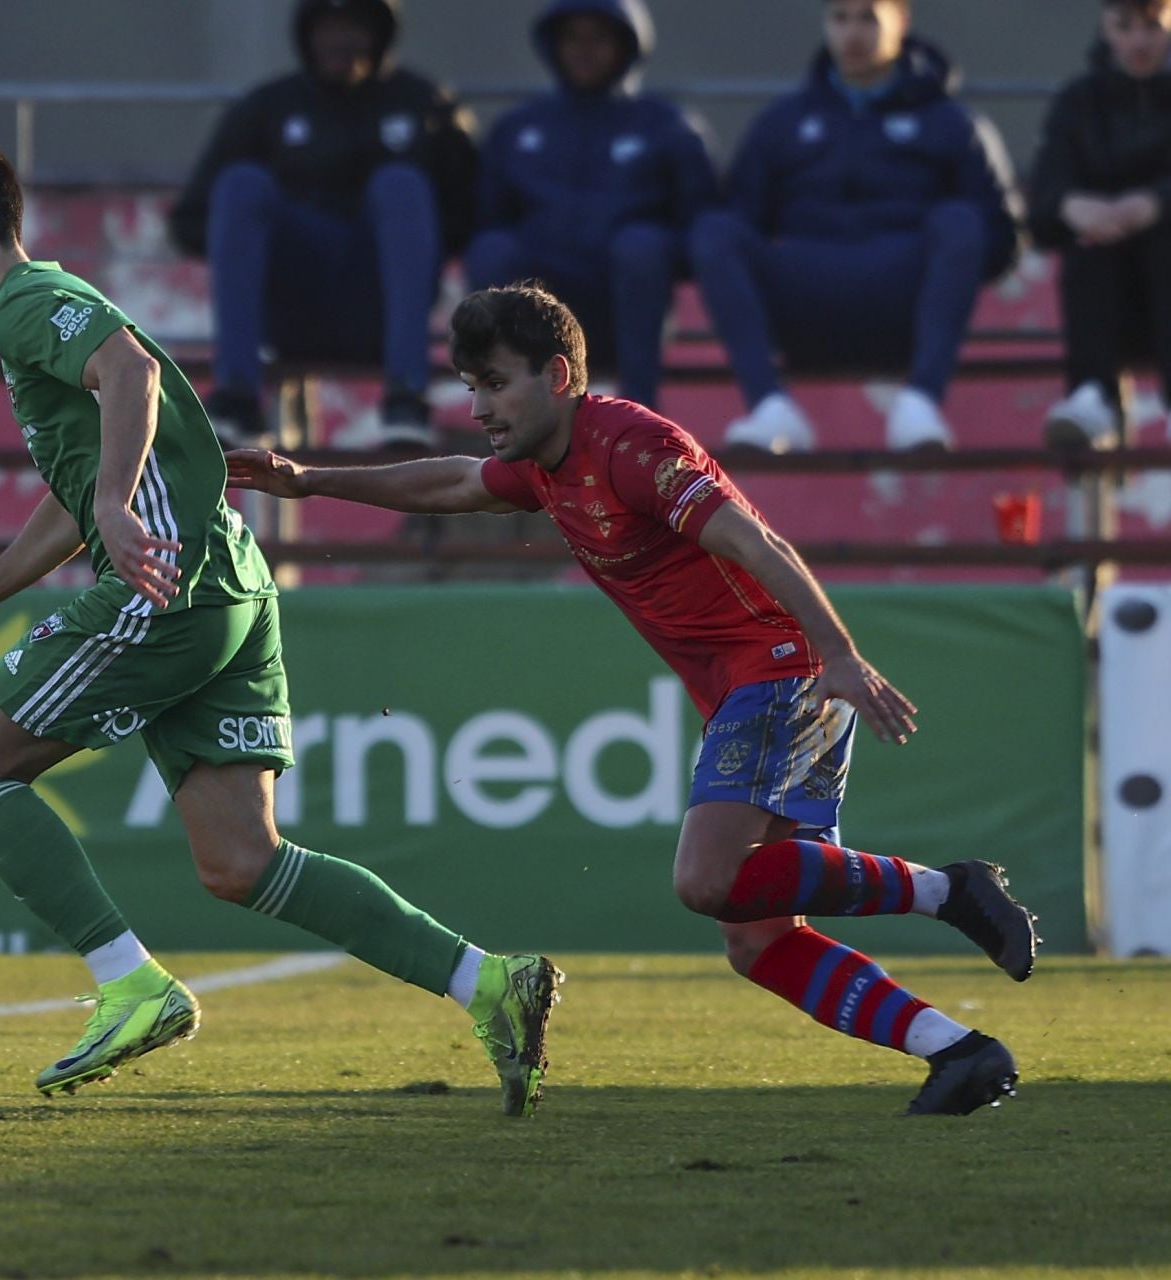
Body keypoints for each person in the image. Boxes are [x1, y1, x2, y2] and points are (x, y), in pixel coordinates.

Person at [226, 282, 1040, 1116]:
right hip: (760, 678)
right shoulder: (548, 467)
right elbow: (453, 484)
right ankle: (961, 1051)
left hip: (781, 666)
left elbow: (752, 537)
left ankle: (950, 891)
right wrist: (307, 480)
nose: (478, 407)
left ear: (558, 374)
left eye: (495, 384)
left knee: (705, 880)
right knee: (756, 939)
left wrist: (836, 652)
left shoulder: (632, 448)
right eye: (470, 387)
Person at [0, 137, 560, 1114]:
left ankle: (130, 982)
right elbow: (77, 492)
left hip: (163, 585)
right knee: (240, 860)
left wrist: (116, 504)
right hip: (226, 575)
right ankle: (489, 981)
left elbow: (129, 373)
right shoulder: (36, 318)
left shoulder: (28, 302)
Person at [689, 0, 1022, 453]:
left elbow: (1001, 238)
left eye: (868, 17)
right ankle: (770, 408)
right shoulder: (782, 122)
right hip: (803, 305)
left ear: (900, 22)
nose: (854, 33)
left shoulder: (949, 123)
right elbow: (741, 215)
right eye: (840, 18)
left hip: (904, 307)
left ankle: (921, 403)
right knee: (713, 231)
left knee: (961, 221)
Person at [166, 0, 478, 448]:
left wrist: (408, 242)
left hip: (381, 310)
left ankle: (407, 397)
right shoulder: (269, 107)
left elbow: (471, 211)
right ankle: (236, 397)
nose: (342, 41)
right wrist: (263, 237)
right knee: (240, 184)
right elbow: (190, 220)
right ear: (308, 34)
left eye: (354, 27)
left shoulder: (423, 104)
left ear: (379, 33)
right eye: (330, 27)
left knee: (402, 185)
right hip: (292, 308)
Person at [464, 0, 717, 411]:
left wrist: (649, 247)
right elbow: (486, 218)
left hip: (623, 311)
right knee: (492, 249)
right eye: (573, 38)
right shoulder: (517, 129)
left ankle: (641, 417)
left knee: (642, 245)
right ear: (553, 45)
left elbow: (699, 227)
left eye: (599, 37)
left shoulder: (668, 127)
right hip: (537, 317)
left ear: (627, 44)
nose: (585, 50)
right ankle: (506, 411)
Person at [1029, 0, 1171, 449]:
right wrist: (1072, 206)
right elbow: (1045, 196)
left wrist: (1156, 203)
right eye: (1124, 27)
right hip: (1107, 302)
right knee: (1092, 240)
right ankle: (1092, 396)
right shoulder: (1078, 102)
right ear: (1104, 29)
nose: (1139, 41)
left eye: (1152, 26)